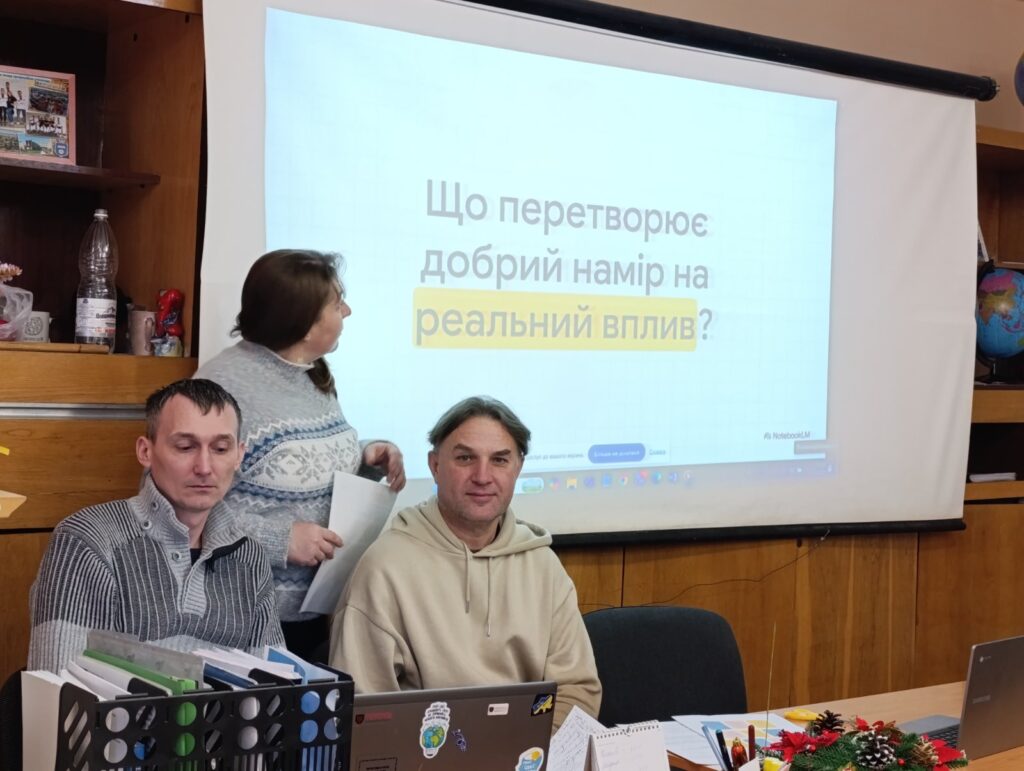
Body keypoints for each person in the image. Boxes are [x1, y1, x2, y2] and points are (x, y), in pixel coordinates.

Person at [330, 396, 601, 729]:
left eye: (499, 460)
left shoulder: (543, 566)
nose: (482, 476)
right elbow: (363, 711)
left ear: (517, 468)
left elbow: (576, 690)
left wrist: (535, 751)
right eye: (465, 458)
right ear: (435, 465)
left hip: (530, 751)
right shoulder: (384, 568)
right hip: (427, 752)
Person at [196, 249, 405, 658]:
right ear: (305, 322)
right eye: (337, 303)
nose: (347, 311)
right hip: (235, 621)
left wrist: (365, 460)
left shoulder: (310, 374)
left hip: (311, 616)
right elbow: (175, 507)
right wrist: (279, 540)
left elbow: (296, 469)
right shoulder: (222, 389)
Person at [28, 379, 284, 673]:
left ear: (239, 455)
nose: (204, 467)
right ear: (145, 452)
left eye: (220, 448)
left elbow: (276, 684)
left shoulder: (250, 557)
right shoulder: (86, 540)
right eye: (185, 447)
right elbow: (57, 684)